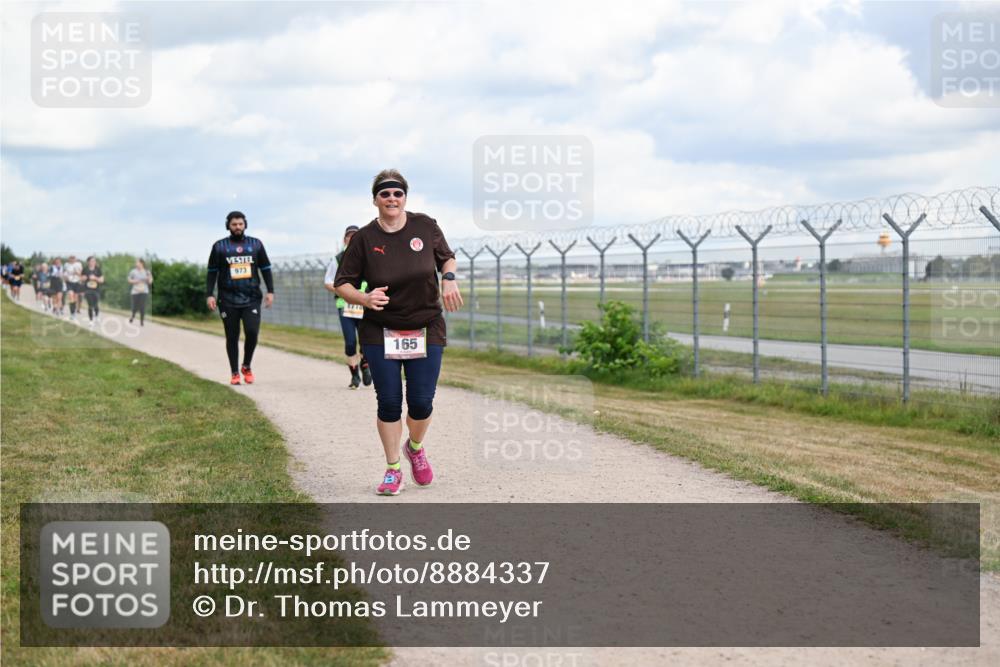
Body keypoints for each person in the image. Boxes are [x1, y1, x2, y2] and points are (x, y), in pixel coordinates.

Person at [335, 169, 463, 496]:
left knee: (421, 402)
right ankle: (393, 469)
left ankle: (415, 448)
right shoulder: (364, 238)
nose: (392, 199)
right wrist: (363, 297)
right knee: (389, 402)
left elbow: (447, 259)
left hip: (425, 325)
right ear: (375, 199)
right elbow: (342, 283)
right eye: (385, 194)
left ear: (405, 197)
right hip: (380, 328)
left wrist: (448, 279)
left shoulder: (425, 226)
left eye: (397, 194)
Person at [206, 211, 275, 385]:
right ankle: (235, 372)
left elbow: (265, 269)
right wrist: (209, 294)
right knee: (232, 336)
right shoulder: (219, 247)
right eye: (234, 224)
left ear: (245, 225)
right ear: (228, 226)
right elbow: (212, 273)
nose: (237, 227)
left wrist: (270, 291)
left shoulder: (256, 245)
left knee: (252, 333)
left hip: (251, 297)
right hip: (227, 299)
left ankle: (246, 365)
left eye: (240, 224)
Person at [324, 225, 372, 389]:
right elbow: (328, 282)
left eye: (355, 236)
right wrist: (344, 291)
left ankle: (365, 364)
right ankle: (354, 376)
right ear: (345, 239)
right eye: (349, 237)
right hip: (345, 305)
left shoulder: (369, 256)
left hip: (364, 304)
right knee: (350, 342)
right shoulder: (338, 259)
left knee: (366, 339)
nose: (352, 239)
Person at [128, 258, 153, 325]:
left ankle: (142, 321)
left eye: (137, 262)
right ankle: (132, 316)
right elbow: (129, 280)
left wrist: (148, 279)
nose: (136, 264)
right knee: (134, 306)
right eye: (136, 263)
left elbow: (150, 281)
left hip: (144, 291)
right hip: (135, 291)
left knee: (142, 306)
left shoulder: (147, 271)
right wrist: (136, 281)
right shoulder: (133, 271)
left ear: (142, 263)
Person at [82, 256, 104, 325]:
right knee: (90, 305)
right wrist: (84, 278)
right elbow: (81, 278)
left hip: (96, 290)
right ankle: (91, 321)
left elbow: (102, 280)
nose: (93, 262)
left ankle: (97, 316)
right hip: (87, 290)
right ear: (88, 262)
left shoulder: (98, 269)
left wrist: (95, 278)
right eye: (91, 261)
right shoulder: (85, 269)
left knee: (96, 304)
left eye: (94, 261)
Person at [63, 254, 84, 320]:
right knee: (70, 296)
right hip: (69, 282)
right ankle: (72, 313)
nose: (72, 259)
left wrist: (76, 272)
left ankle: (74, 310)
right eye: (71, 258)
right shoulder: (66, 265)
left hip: (77, 282)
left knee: (75, 298)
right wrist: (65, 277)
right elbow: (64, 272)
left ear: (75, 259)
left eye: (73, 258)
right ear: (69, 259)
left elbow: (82, 274)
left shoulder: (79, 264)